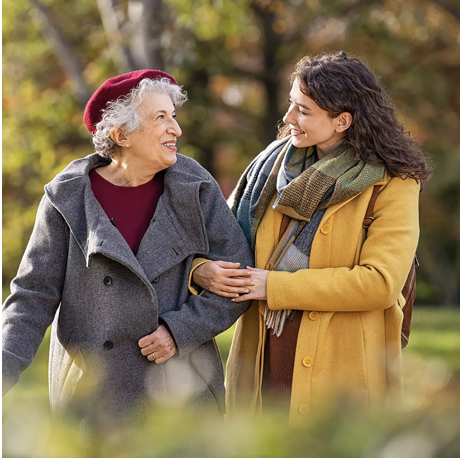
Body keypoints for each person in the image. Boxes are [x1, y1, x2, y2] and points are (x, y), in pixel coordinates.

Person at [2, 70, 253, 426]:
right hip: (94, 397)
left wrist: (180, 330)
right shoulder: (68, 197)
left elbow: (239, 276)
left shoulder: (194, 186)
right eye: (160, 118)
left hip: (182, 392)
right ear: (121, 134)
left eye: (174, 116)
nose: (176, 130)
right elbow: (31, 297)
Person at [191, 52, 431, 421]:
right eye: (291, 105)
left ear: (342, 121)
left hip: (341, 373)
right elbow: (216, 241)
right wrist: (201, 270)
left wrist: (275, 287)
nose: (288, 119)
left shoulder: (393, 183)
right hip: (262, 361)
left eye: (303, 110)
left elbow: (380, 282)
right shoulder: (269, 171)